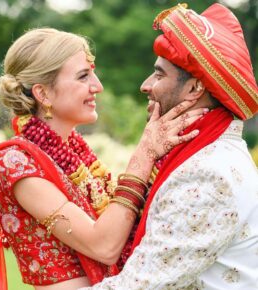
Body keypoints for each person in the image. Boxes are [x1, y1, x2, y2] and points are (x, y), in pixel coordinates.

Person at [0, 28, 207, 290]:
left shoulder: (73, 152)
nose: (98, 86)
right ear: (43, 93)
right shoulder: (15, 163)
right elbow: (103, 246)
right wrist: (144, 155)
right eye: (83, 76)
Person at [81, 3, 258, 290]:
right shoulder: (210, 157)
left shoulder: (209, 175)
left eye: (159, 74)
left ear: (194, 89)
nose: (145, 85)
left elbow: (137, 286)